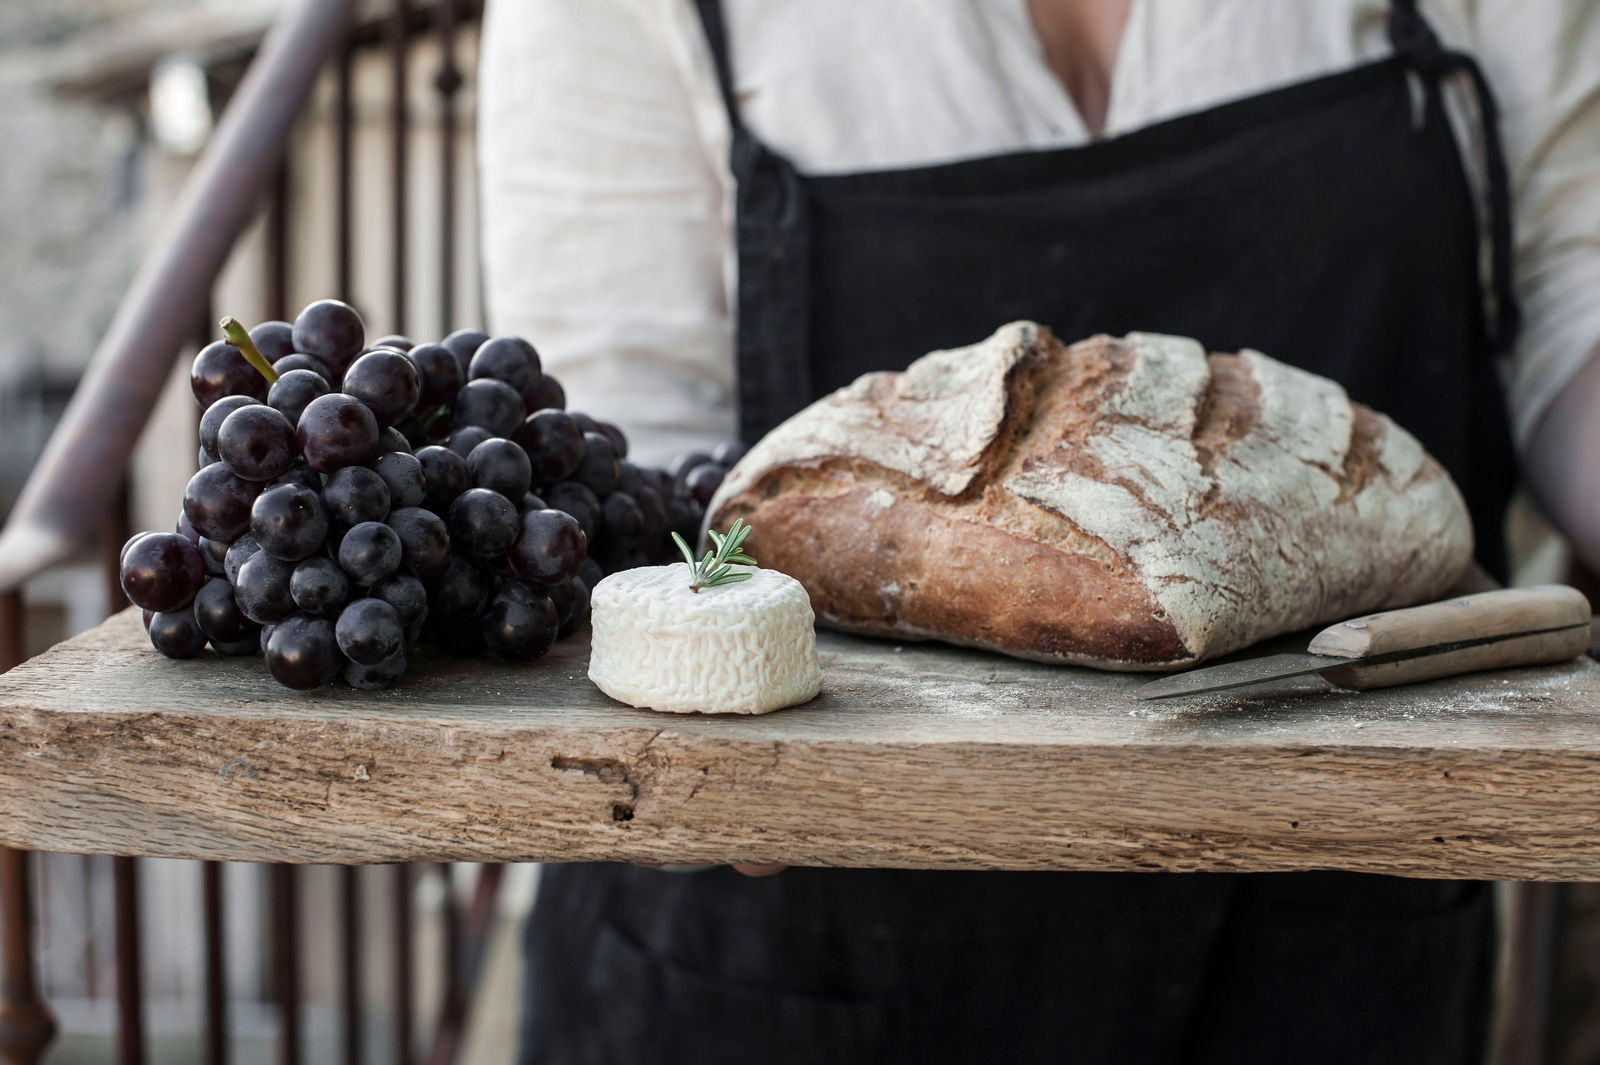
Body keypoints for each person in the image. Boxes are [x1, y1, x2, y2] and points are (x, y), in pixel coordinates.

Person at [478, 1, 1600, 1061]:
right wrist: (722, 745)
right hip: (791, 962)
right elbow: (628, 470)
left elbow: (1572, 294)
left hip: (1345, 920)